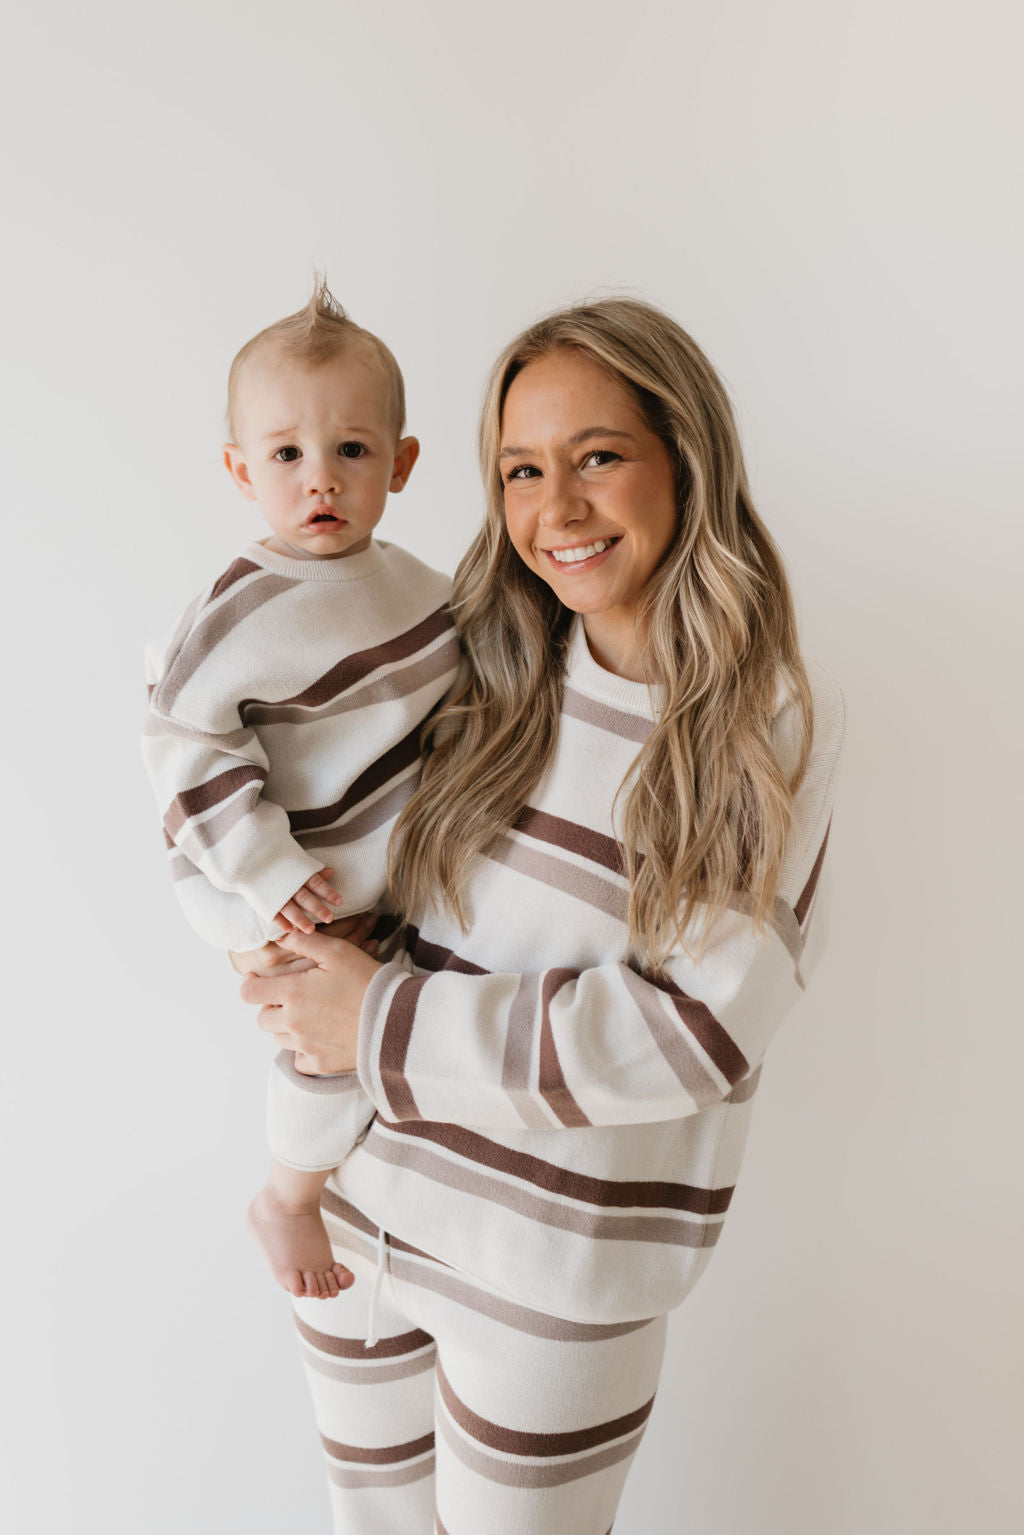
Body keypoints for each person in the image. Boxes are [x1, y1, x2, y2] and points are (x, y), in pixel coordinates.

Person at [237, 297, 846, 1534]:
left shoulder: (764, 724)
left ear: (687, 457)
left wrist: (380, 1016)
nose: (555, 509)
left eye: (599, 457)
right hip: (359, 1212)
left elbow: (695, 1036)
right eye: (522, 469)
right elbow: (354, 855)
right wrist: (278, 925)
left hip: (554, 1272)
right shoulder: (481, 659)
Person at [141, 280, 459, 1304]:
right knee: (321, 1035)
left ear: (401, 464)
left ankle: (380, 1180)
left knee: (399, 1015)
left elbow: (460, 683)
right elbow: (185, 748)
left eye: (351, 450)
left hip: (375, 862)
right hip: (273, 871)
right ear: (242, 470)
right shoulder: (241, 610)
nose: (319, 477)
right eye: (285, 455)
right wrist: (267, 872)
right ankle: (290, 1190)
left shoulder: (417, 586)